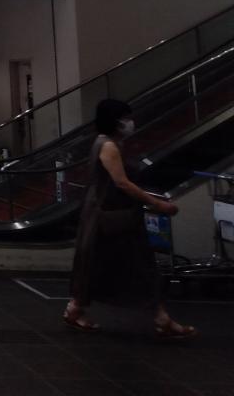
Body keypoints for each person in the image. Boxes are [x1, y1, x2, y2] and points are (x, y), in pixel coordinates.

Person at [64, 98, 196, 339]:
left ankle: (75, 308)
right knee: (140, 266)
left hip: (104, 216)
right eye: (125, 118)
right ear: (114, 121)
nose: (130, 122)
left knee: (96, 265)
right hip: (115, 218)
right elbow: (121, 183)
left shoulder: (104, 142)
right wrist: (157, 203)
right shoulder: (109, 146)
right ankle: (161, 318)